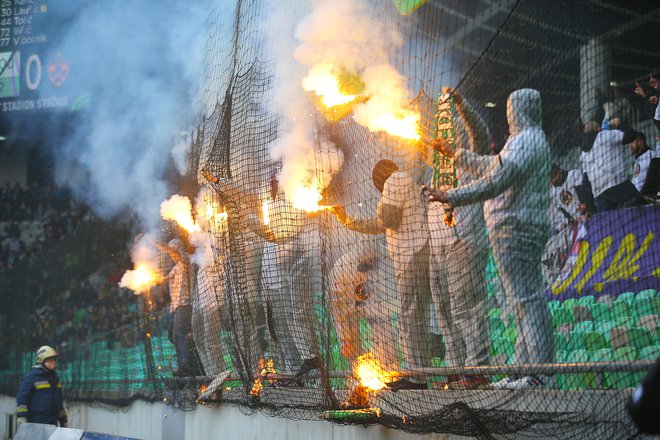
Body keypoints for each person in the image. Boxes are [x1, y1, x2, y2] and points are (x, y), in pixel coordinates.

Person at [428, 89, 555, 389]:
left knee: (527, 300)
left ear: (517, 110)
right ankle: (524, 370)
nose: (508, 115)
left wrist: (452, 196)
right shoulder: (520, 141)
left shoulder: (527, 141)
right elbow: (491, 166)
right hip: (508, 230)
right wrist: (454, 155)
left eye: (510, 109)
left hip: (516, 228)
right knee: (520, 301)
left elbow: (496, 180)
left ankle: (539, 373)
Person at [333, 159, 432, 391]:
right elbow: (381, 225)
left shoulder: (396, 181)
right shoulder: (397, 187)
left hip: (412, 256)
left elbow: (387, 220)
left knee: (411, 317)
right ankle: (418, 374)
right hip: (410, 257)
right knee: (411, 317)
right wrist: (348, 221)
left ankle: (417, 377)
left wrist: (380, 203)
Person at [424, 89, 491, 390]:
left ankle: (477, 370)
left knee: (467, 307)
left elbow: (479, 130)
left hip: (464, 242)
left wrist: (461, 104)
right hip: (438, 248)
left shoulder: (471, 158)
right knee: (445, 311)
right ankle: (455, 371)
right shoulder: (435, 169)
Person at [579, 121, 638, 212]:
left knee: (610, 224)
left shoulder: (583, 153)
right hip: (617, 184)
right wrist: (619, 123)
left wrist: (588, 205)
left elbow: (586, 180)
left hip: (599, 194)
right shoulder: (604, 135)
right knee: (640, 206)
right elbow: (631, 136)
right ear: (597, 128)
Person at [161, 238, 196, 376]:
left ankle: (185, 367)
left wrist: (152, 241)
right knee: (173, 334)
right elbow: (163, 278)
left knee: (178, 333)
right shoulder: (175, 267)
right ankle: (187, 360)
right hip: (175, 307)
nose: (170, 254)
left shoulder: (185, 261)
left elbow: (176, 253)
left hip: (184, 304)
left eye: (172, 251)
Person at [16, 345, 68, 429]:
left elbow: (59, 402)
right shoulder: (31, 377)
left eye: (54, 360)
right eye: (50, 360)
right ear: (41, 360)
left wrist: (63, 420)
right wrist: (22, 417)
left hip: (52, 425)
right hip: (36, 425)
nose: (53, 362)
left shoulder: (55, 379)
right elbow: (22, 399)